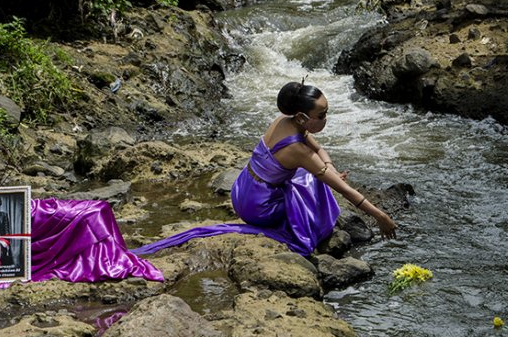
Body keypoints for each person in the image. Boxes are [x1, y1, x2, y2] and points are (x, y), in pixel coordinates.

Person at [131, 81, 397, 258]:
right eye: (322, 115)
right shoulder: (297, 149)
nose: (326, 119)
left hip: (242, 188)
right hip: (258, 208)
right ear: (303, 117)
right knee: (314, 180)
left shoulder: (285, 120)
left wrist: (328, 166)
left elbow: (320, 151)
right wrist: (380, 216)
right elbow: (344, 189)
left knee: (313, 174)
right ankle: (314, 228)